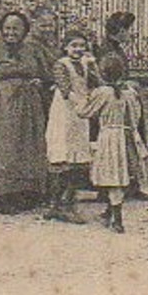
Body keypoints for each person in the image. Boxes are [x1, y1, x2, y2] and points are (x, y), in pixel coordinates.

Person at [0, 10, 52, 214]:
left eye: (15, 29)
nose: (10, 33)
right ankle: (2, 195)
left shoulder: (33, 49)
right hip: (3, 105)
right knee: (5, 148)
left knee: (28, 147)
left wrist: (39, 82)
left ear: (25, 30)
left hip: (29, 106)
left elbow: (46, 73)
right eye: (7, 28)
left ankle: (27, 192)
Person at [69, 58, 148, 234]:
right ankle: (109, 212)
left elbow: (84, 112)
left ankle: (117, 220)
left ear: (103, 75)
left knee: (112, 176)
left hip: (109, 136)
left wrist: (74, 98)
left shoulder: (102, 92)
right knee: (119, 174)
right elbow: (137, 116)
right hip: (127, 136)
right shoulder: (130, 92)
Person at [97, 12, 148, 201]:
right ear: (120, 31)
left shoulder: (115, 48)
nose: (130, 34)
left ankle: (131, 185)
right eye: (128, 30)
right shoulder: (107, 50)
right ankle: (112, 188)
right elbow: (107, 77)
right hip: (117, 102)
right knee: (122, 143)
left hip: (125, 99)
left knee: (130, 141)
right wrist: (127, 84)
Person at [44, 29, 98, 224]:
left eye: (82, 46)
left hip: (79, 115)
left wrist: (93, 66)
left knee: (76, 158)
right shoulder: (61, 65)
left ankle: (67, 202)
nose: (78, 49)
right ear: (65, 47)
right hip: (64, 113)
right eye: (74, 46)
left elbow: (95, 82)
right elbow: (64, 87)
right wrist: (79, 102)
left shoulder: (85, 64)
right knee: (62, 155)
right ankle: (55, 205)